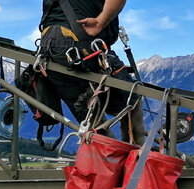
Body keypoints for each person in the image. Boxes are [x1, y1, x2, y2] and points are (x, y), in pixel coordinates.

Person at [38, 0, 145, 144]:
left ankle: (105, 151)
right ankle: (135, 157)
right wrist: (101, 22)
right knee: (131, 100)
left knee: (90, 117)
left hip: (50, 48)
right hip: (82, 42)